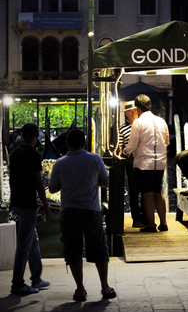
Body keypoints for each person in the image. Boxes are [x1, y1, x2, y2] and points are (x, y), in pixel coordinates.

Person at [49, 129, 116, 302]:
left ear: (67, 144)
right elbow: (106, 183)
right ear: (84, 143)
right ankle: (105, 287)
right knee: (99, 248)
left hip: (69, 211)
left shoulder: (59, 163)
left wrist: (67, 185)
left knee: (73, 249)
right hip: (91, 210)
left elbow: (52, 188)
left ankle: (79, 290)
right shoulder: (95, 159)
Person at [10, 123, 52, 295]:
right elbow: (38, 183)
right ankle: (17, 284)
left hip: (17, 202)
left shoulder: (14, 153)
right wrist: (47, 207)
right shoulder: (34, 155)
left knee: (32, 239)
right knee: (24, 245)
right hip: (28, 203)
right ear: (35, 136)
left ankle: (36, 278)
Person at [124, 94, 169, 233]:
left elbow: (132, 145)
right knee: (157, 192)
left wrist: (124, 152)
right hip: (160, 162)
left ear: (137, 109)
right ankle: (163, 223)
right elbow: (167, 142)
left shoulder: (138, 122)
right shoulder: (161, 121)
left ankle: (151, 225)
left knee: (147, 194)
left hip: (144, 163)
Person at [119, 101, 144, 228]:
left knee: (146, 189)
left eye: (135, 110)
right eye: (132, 111)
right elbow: (119, 147)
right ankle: (136, 218)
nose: (134, 112)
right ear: (127, 113)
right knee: (133, 190)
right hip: (131, 160)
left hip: (145, 159)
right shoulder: (122, 128)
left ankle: (146, 216)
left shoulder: (143, 126)